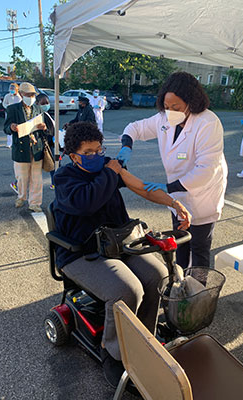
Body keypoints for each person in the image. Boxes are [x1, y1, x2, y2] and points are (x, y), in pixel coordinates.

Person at [53, 121, 191, 388]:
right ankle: (113, 353)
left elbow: (140, 186)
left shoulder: (109, 167)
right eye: (89, 152)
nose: (97, 155)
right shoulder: (65, 179)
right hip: (81, 253)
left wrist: (173, 203)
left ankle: (145, 338)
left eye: (99, 149)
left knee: (159, 275)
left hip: (118, 243)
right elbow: (86, 202)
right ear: (73, 156)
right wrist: (110, 171)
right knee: (126, 290)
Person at [117, 71, 228, 270]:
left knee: (200, 249)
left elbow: (206, 169)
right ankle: (181, 282)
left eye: (175, 107)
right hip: (177, 197)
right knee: (180, 242)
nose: (170, 112)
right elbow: (134, 128)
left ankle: (199, 292)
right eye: (167, 107)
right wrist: (127, 145)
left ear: (191, 102)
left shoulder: (208, 123)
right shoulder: (164, 119)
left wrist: (169, 187)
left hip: (203, 195)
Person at [4, 82, 49, 213]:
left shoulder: (38, 109)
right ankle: (21, 197)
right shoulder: (13, 109)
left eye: (33, 95)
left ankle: (35, 203)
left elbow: (45, 129)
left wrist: (44, 127)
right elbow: (6, 128)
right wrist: (11, 127)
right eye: (28, 95)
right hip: (21, 148)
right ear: (22, 94)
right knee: (22, 177)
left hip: (36, 147)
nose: (31, 97)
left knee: (37, 178)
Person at [36, 93, 56, 190]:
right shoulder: (38, 116)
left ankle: (54, 183)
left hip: (51, 142)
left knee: (54, 164)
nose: (45, 105)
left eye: (47, 103)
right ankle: (18, 184)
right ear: (37, 103)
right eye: (43, 103)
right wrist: (48, 132)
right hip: (44, 144)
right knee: (36, 168)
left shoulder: (47, 114)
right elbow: (42, 132)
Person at [3, 83, 22, 149]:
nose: (12, 90)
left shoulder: (19, 97)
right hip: (9, 113)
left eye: (13, 89)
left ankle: (17, 141)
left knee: (16, 127)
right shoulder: (7, 96)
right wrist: (8, 107)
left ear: (17, 89)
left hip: (17, 114)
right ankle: (9, 143)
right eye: (11, 89)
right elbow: (4, 103)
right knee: (9, 127)